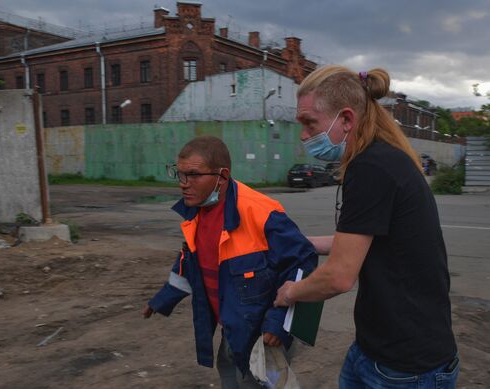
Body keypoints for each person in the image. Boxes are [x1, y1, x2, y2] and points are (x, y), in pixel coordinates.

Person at [274, 66, 459, 388]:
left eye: (309, 123)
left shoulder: (371, 167)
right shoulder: (382, 158)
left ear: (346, 120)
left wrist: (290, 293)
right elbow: (366, 239)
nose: (303, 135)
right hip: (376, 350)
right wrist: (306, 242)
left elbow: (339, 277)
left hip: (406, 368)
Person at [143, 135, 318, 388]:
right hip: (232, 332)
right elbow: (190, 263)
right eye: (178, 174)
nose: (183, 184)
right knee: (229, 375)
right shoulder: (196, 213)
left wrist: (279, 322)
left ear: (222, 177)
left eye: (192, 175)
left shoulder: (261, 213)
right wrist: (162, 299)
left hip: (263, 340)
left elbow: (302, 265)